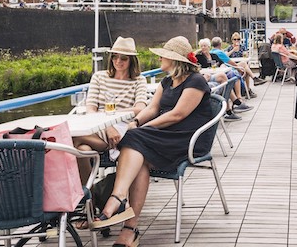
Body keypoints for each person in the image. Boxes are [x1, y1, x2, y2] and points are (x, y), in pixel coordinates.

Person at [92, 36, 214, 246]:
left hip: (186, 137)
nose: (159, 60)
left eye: (163, 56)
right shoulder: (167, 81)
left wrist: (144, 127)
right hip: (164, 136)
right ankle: (129, 227)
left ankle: (117, 198)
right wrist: (137, 121)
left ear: (174, 60)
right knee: (140, 156)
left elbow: (178, 115)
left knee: (135, 138)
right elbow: (153, 108)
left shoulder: (196, 81)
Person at [73, 37, 148, 186]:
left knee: (72, 140)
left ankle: (87, 199)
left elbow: (140, 108)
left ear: (132, 60)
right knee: (82, 149)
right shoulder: (99, 77)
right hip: (97, 126)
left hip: (122, 128)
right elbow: (90, 108)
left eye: (124, 58)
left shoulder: (139, 80)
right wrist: (107, 124)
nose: (118, 61)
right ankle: (92, 198)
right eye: (114, 57)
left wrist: (111, 117)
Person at [195, 38, 252, 120]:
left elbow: (222, 63)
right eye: (201, 46)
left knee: (228, 77)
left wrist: (222, 66)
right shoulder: (199, 57)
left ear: (209, 46)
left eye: (205, 46)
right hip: (208, 75)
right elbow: (197, 66)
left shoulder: (213, 55)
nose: (203, 47)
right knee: (224, 78)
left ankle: (231, 108)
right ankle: (234, 104)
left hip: (216, 73)